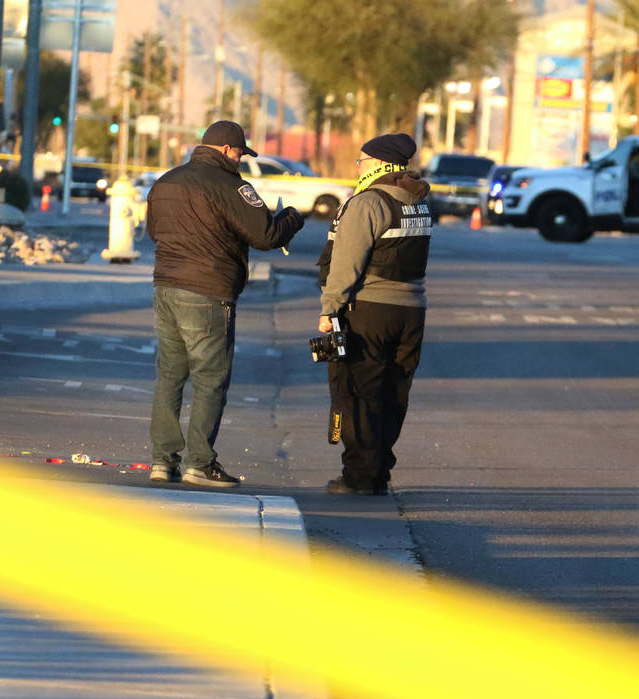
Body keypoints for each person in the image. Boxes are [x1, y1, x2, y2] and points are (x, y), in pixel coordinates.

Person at [147, 120, 305, 487]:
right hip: (208, 291)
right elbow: (266, 235)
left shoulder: (166, 181)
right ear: (225, 150)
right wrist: (292, 218)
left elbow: (155, 231)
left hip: (166, 286)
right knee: (210, 380)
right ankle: (200, 464)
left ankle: (161, 461)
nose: (241, 160)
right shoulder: (232, 186)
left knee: (170, 375)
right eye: (239, 153)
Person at [316, 133, 432, 495]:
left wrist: (329, 308)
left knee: (359, 392)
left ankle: (359, 477)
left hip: (369, 310)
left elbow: (346, 264)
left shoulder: (368, 202)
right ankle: (379, 471)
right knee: (394, 393)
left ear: (380, 164)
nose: (359, 167)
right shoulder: (416, 201)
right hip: (411, 312)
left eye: (362, 161)